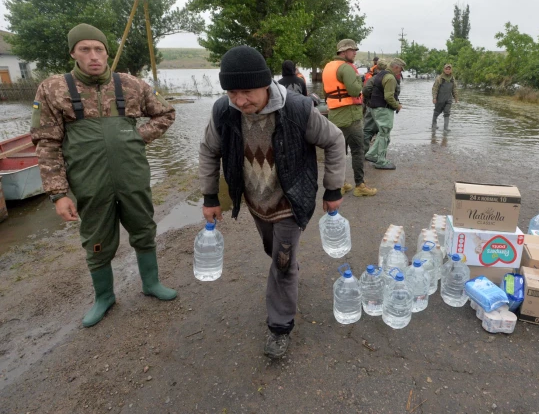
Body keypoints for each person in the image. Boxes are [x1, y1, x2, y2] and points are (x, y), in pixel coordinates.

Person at [199, 45, 346, 359]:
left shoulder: (297, 110)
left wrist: (333, 190)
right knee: (275, 252)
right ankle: (290, 268)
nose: (240, 101)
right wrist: (210, 196)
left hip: (290, 201)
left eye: (247, 92)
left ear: (265, 84)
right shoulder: (223, 112)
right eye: (232, 93)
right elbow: (209, 151)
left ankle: (280, 328)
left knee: (281, 264)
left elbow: (335, 140)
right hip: (256, 202)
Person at [30, 23, 177, 328]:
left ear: (107, 52)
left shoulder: (132, 85)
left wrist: (138, 137)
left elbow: (166, 113)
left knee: (143, 227)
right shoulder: (53, 89)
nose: (93, 56)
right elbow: (47, 143)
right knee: (96, 238)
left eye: (99, 49)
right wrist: (58, 195)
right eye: (85, 49)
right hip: (89, 180)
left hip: (132, 175)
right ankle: (104, 297)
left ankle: (151, 283)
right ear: (73, 52)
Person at [322, 39, 377, 197]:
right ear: (344, 52)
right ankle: (360, 185)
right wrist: (359, 81)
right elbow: (354, 91)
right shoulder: (346, 67)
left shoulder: (328, 66)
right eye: (353, 50)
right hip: (350, 116)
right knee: (357, 150)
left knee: (338, 152)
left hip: (334, 115)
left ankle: (340, 184)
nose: (354, 53)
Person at [364, 58, 405, 170]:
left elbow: (368, 89)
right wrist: (397, 105)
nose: (400, 72)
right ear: (396, 67)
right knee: (385, 135)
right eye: (400, 69)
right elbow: (388, 97)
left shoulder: (380, 74)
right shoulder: (390, 78)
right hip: (383, 109)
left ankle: (371, 154)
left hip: (374, 108)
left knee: (382, 133)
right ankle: (381, 161)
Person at [362, 59, 389, 152]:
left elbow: (365, 90)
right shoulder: (389, 78)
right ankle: (378, 152)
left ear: (376, 67)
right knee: (382, 131)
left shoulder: (373, 79)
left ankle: (365, 151)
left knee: (367, 130)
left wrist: (369, 98)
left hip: (371, 106)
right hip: (385, 108)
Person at [431, 64, 459, 131]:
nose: (448, 70)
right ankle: (434, 124)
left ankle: (446, 128)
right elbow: (435, 89)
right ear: (444, 70)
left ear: (451, 70)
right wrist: (434, 98)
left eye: (449, 69)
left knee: (447, 112)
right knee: (437, 112)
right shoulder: (439, 78)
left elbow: (454, 89)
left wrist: (456, 97)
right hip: (440, 99)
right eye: (446, 69)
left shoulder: (452, 79)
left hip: (448, 99)